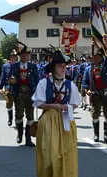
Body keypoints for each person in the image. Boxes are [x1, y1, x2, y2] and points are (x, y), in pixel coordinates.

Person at [32, 49, 81, 177]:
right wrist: (54, 106)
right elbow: (38, 103)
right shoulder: (43, 83)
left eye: (64, 66)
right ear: (53, 68)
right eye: (60, 66)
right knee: (48, 152)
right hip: (48, 121)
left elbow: (76, 102)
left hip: (66, 121)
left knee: (66, 152)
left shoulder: (71, 84)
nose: (63, 68)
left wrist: (68, 107)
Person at [82, 48, 107, 143]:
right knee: (95, 114)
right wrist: (87, 90)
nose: (95, 59)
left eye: (98, 57)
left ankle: (106, 134)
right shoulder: (89, 69)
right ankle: (96, 134)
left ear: (102, 57)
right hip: (95, 93)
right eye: (94, 57)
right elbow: (85, 82)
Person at [12, 43, 39, 146]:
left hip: (30, 93)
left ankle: (28, 138)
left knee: (30, 116)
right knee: (19, 115)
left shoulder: (33, 67)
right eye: (23, 55)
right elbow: (11, 80)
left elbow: (37, 80)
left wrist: (37, 93)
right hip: (19, 93)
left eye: (27, 55)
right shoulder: (14, 66)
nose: (25, 57)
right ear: (20, 56)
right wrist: (12, 85)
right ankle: (19, 134)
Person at [0, 49, 17, 126]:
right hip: (8, 89)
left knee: (18, 106)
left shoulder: (18, 65)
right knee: (8, 105)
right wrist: (0, 87)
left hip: (17, 89)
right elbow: (2, 77)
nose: (13, 58)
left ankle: (17, 120)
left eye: (15, 57)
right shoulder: (5, 66)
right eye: (12, 57)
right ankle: (10, 119)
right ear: (9, 57)